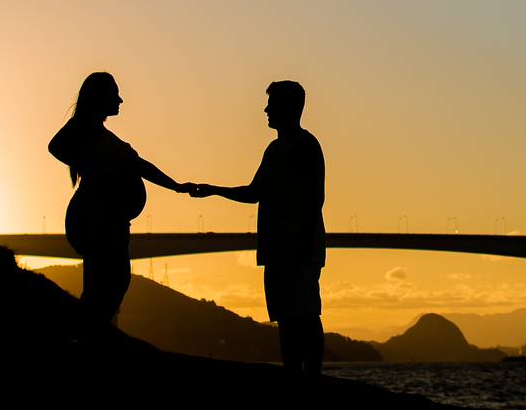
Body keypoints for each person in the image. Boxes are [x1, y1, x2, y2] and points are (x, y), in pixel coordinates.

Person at [192, 81, 326, 374]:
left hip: (297, 245)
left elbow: (317, 197)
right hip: (277, 247)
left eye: (272, 104)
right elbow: (255, 193)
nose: (266, 109)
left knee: (305, 312)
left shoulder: (306, 145)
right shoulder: (274, 148)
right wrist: (213, 190)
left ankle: (313, 377)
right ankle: (293, 373)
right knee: (285, 316)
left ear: (289, 107)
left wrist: (303, 243)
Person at [49, 72, 192, 335]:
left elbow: (140, 165)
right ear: (99, 97)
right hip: (98, 219)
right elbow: (56, 146)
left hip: (112, 222)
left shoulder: (105, 137)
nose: (120, 100)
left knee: (110, 283)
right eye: (114, 94)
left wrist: (177, 187)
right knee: (106, 284)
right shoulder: (84, 127)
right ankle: (81, 337)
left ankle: (85, 336)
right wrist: (92, 169)